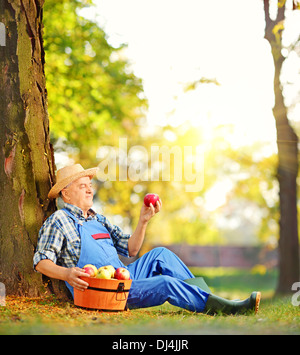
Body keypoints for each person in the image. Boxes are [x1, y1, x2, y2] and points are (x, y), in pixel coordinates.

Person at [33, 164, 261, 315]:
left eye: (90, 186)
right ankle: (225, 308)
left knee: (161, 254)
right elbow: (41, 261)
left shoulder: (98, 219)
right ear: (65, 193)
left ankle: (211, 300)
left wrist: (143, 221)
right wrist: (67, 274)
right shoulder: (60, 220)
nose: (89, 191)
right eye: (82, 186)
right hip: (101, 291)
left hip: (122, 277)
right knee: (165, 284)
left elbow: (131, 250)